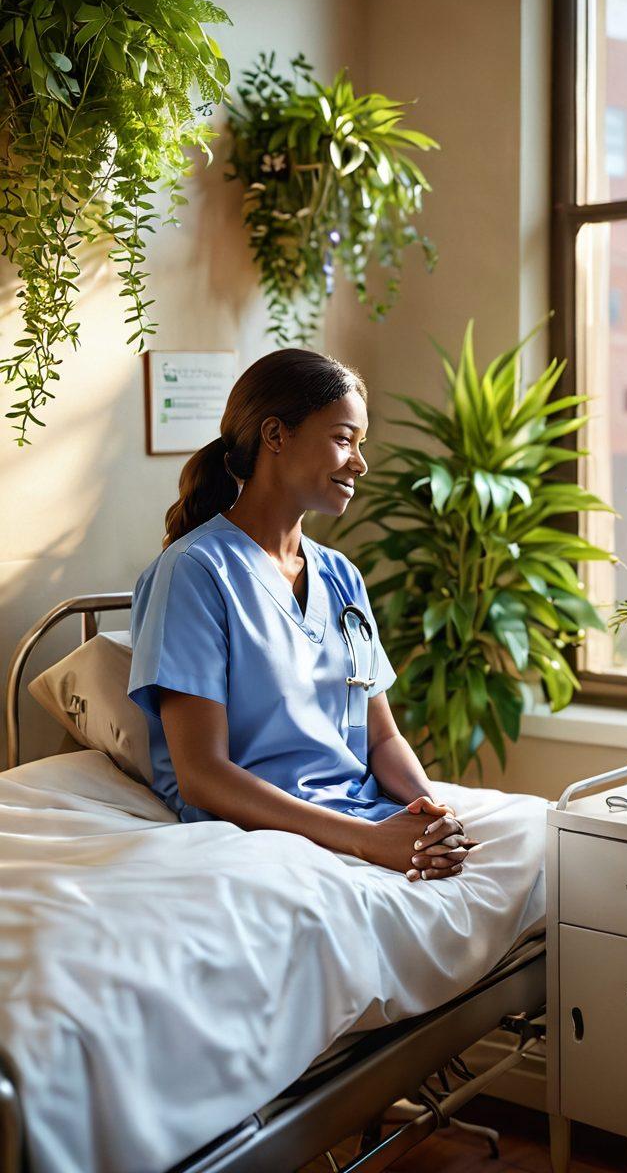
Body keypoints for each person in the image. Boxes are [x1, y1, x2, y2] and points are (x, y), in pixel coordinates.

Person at [128, 348, 477, 883]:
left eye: (361, 444)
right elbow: (202, 777)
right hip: (255, 835)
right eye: (343, 439)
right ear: (275, 436)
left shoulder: (341, 576)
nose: (359, 462)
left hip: (359, 814)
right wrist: (367, 841)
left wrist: (434, 814)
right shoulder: (194, 573)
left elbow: (381, 740)